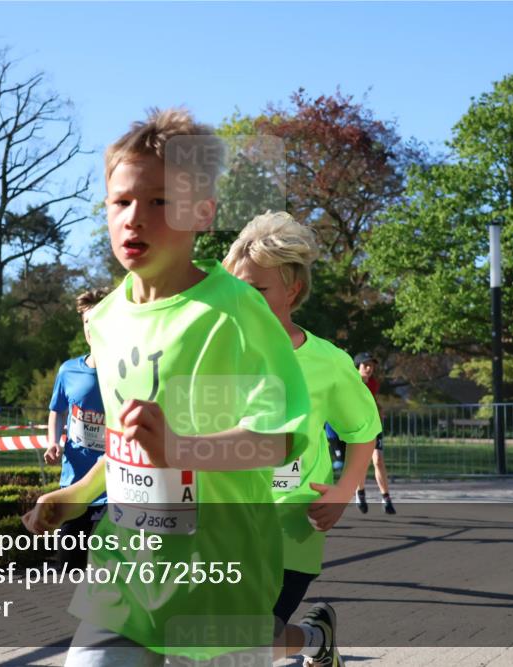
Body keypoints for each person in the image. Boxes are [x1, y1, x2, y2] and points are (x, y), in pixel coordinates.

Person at [23, 108, 311, 666]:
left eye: (159, 202)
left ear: (203, 213)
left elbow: (278, 442)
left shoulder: (236, 313)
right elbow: (127, 442)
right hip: (124, 570)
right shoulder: (105, 319)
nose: (134, 219)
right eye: (122, 201)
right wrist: (78, 493)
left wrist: (180, 450)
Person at [224, 211, 381, 667]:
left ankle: (313, 638)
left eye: (259, 290)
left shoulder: (328, 361)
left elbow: (362, 431)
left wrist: (343, 491)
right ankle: (315, 638)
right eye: (238, 289)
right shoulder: (214, 352)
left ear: (292, 290)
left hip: (293, 521)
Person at [44, 287, 111, 569]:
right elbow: (56, 410)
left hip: (113, 485)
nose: (93, 329)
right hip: (74, 482)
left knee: (108, 567)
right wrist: (53, 441)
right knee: (69, 566)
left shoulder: (128, 372)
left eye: (99, 321)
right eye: (87, 323)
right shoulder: (68, 370)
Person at [353, 352, 396, 515]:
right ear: (358, 367)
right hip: (357, 428)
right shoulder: (351, 383)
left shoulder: (373, 384)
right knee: (362, 463)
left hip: (373, 426)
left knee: (378, 460)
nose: (370, 368)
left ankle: (386, 498)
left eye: (372, 365)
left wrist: (378, 408)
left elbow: (371, 400)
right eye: (366, 365)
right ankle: (360, 492)